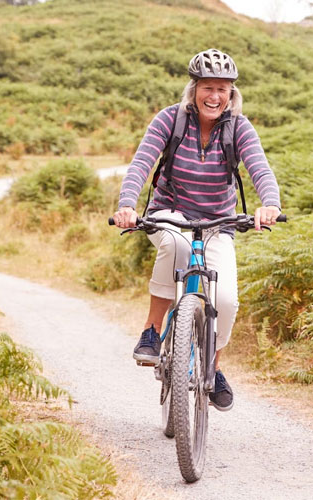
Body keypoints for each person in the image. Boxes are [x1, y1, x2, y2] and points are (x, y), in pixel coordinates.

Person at [112, 48, 282, 412]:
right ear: (194, 89)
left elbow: (260, 169)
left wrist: (270, 204)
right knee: (177, 246)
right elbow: (141, 164)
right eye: (207, 87)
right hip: (170, 213)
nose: (214, 96)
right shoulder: (170, 120)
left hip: (218, 222)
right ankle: (152, 331)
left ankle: (213, 367)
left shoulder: (239, 127)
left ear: (231, 93)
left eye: (222, 89)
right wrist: (127, 205)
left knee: (226, 300)